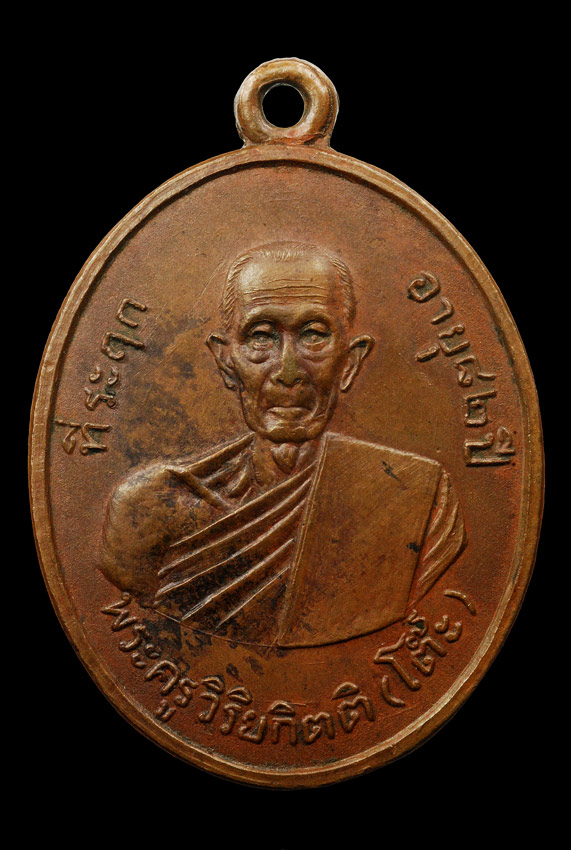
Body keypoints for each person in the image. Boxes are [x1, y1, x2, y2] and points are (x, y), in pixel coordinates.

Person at [99, 242, 466, 648]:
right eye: (261, 337)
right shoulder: (149, 507)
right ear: (226, 361)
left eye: (313, 335)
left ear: (350, 362)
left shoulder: (418, 497)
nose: (288, 372)